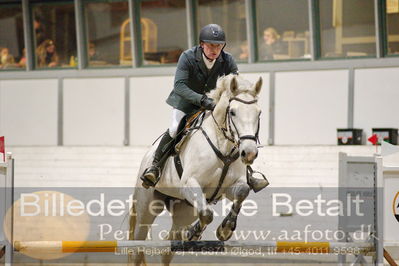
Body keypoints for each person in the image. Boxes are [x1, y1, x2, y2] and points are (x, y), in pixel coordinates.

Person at [141, 24, 239, 188]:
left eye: (219, 45)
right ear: (201, 44)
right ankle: (155, 167)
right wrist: (202, 100)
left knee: (235, 127)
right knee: (174, 129)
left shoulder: (228, 60)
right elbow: (179, 86)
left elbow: (233, 84)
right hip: (186, 103)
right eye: (211, 45)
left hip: (213, 105)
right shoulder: (187, 57)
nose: (215, 49)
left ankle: (247, 173)